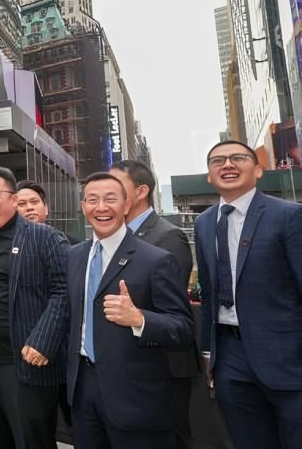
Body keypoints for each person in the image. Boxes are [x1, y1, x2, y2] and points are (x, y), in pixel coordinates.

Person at [67, 172, 193, 449]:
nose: (101, 207)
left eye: (110, 199)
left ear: (126, 205)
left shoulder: (156, 260)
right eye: (93, 200)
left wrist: (139, 319)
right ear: (83, 206)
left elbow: (183, 328)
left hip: (136, 397)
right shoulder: (74, 257)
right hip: (83, 391)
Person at [195, 140, 302, 449]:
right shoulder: (204, 224)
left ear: (258, 170)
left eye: (238, 158)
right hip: (230, 357)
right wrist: (208, 354)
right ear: (209, 175)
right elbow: (208, 293)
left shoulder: (289, 216)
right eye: (218, 161)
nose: (227, 164)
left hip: (289, 357)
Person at [0, 167, 69, 449]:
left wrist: (42, 340)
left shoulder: (45, 237)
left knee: (31, 441)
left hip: (25, 365)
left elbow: (64, 291)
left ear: (13, 199)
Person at [109, 160, 198, 449]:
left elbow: (172, 309)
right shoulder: (112, 237)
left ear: (141, 191)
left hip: (164, 365)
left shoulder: (168, 237)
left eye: (116, 186)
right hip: (127, 365)